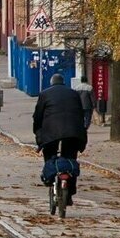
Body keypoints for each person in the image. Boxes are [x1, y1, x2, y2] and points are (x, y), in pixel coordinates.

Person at [33, 73, 87, 204]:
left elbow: (38, 116)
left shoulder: (44, 94)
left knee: (50, 155)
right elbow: (81, 113)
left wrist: (38, 134)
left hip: (51, 132)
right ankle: (70, 191)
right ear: (63, 83)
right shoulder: (74, 93)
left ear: (51, 83)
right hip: (73, 131)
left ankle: (50, 179)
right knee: (70, 159)